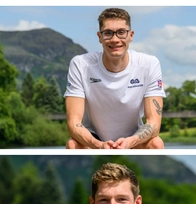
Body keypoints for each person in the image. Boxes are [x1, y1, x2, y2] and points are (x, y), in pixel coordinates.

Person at [64, 8, 165, 149]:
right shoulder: (80, 64)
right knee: (73, 144)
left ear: (131, 35)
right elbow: (73, 122)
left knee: (156, 143)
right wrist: (99, 145)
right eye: (108, 33)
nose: (115, 39)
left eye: (121, 32)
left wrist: (130, 141)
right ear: (99, 36)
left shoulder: (149, 64)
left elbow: (153, 122)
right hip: (94, 137)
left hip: (133, 137)